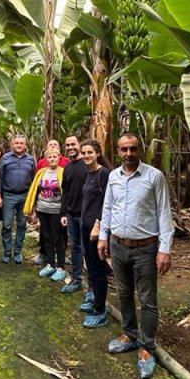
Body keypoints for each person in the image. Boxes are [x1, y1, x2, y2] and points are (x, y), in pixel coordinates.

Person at [98, 132, 174, 379]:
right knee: (122, 292)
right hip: (118, 245)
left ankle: (147, 347)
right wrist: (103, 236)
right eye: (124, 149)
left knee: (148, 299)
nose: (128, 154)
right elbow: (108, 208)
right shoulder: (113, 177)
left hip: (145, 247)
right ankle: (130, 334)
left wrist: (165, 249)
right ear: (117, 151)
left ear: (140, 150)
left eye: (133, 149)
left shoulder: (154, 177)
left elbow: (164, 213)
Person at [77, 139, 112, 328]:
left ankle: (100, 310)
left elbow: (108, 202)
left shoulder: (104, 173)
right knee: (91, 266)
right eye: (84, 153)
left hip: (96, 229)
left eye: (90, 152)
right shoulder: (87, 173)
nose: (86, 156)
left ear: (97, 153)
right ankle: (96, 302)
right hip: (85, 225)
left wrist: (98, 225)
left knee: (98, 270)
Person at [23, 148, 66, 282]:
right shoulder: (41, 172)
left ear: (59, 158)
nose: (52, 159)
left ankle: (61, 267)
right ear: (45, 159)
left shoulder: (63, 172)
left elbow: (66, 193)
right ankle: (50, 264)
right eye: (49, 157)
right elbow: (35, 191)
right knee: (46, 237)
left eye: (54, 156)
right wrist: (33, 209)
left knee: (57, 239)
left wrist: (65, 212)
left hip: (56, 211)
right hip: (43, 209)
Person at [0, 134, 35, 264]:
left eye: (21, 143)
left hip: (25, 196)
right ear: (12, 144)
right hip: (9, 195)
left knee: (21, 224)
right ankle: (7, 252)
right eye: (17, 143)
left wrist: (32, 200)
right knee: (7, 225)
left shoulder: (30, 159)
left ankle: (17, 252)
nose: (19, 145)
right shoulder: (5, 158)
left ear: (25, 145)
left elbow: (33, 178)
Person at [59, 135, 86, 293]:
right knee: (75, 247)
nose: (70, 147)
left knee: (87, 249)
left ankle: (93, 287)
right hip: (71, 214)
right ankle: (76, 279)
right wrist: (63, 213)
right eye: (67, 145)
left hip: (86, 215)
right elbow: (66, 191)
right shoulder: (68, 167)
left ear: (79, 145)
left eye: (73, 144)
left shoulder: (87, 164)